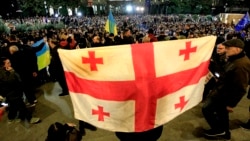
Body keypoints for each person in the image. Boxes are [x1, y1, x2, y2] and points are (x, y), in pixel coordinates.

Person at [202, 39, 250, 140]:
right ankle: (224, 132)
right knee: (221, 113)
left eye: (228, 48)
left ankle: (218, 130)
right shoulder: (234, 59)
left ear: (237, 49)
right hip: (222, 91)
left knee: (206, 109)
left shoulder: (241, 65)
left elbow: (241, 87)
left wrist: (231, 104)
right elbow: (226, 73)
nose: (226, 50)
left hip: (224, 94)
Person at [0, 57, 40, 124]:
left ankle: (11, 117)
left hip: (15, 91)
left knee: (13, 106)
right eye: (8, 63)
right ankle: (29, 118)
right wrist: (12, 72)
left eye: (9, 62)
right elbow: (8, 81)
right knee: (21, 105)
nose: (10, 64)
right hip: (11, 92)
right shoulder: (2, 73)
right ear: (3, 65)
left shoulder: (7, 70)